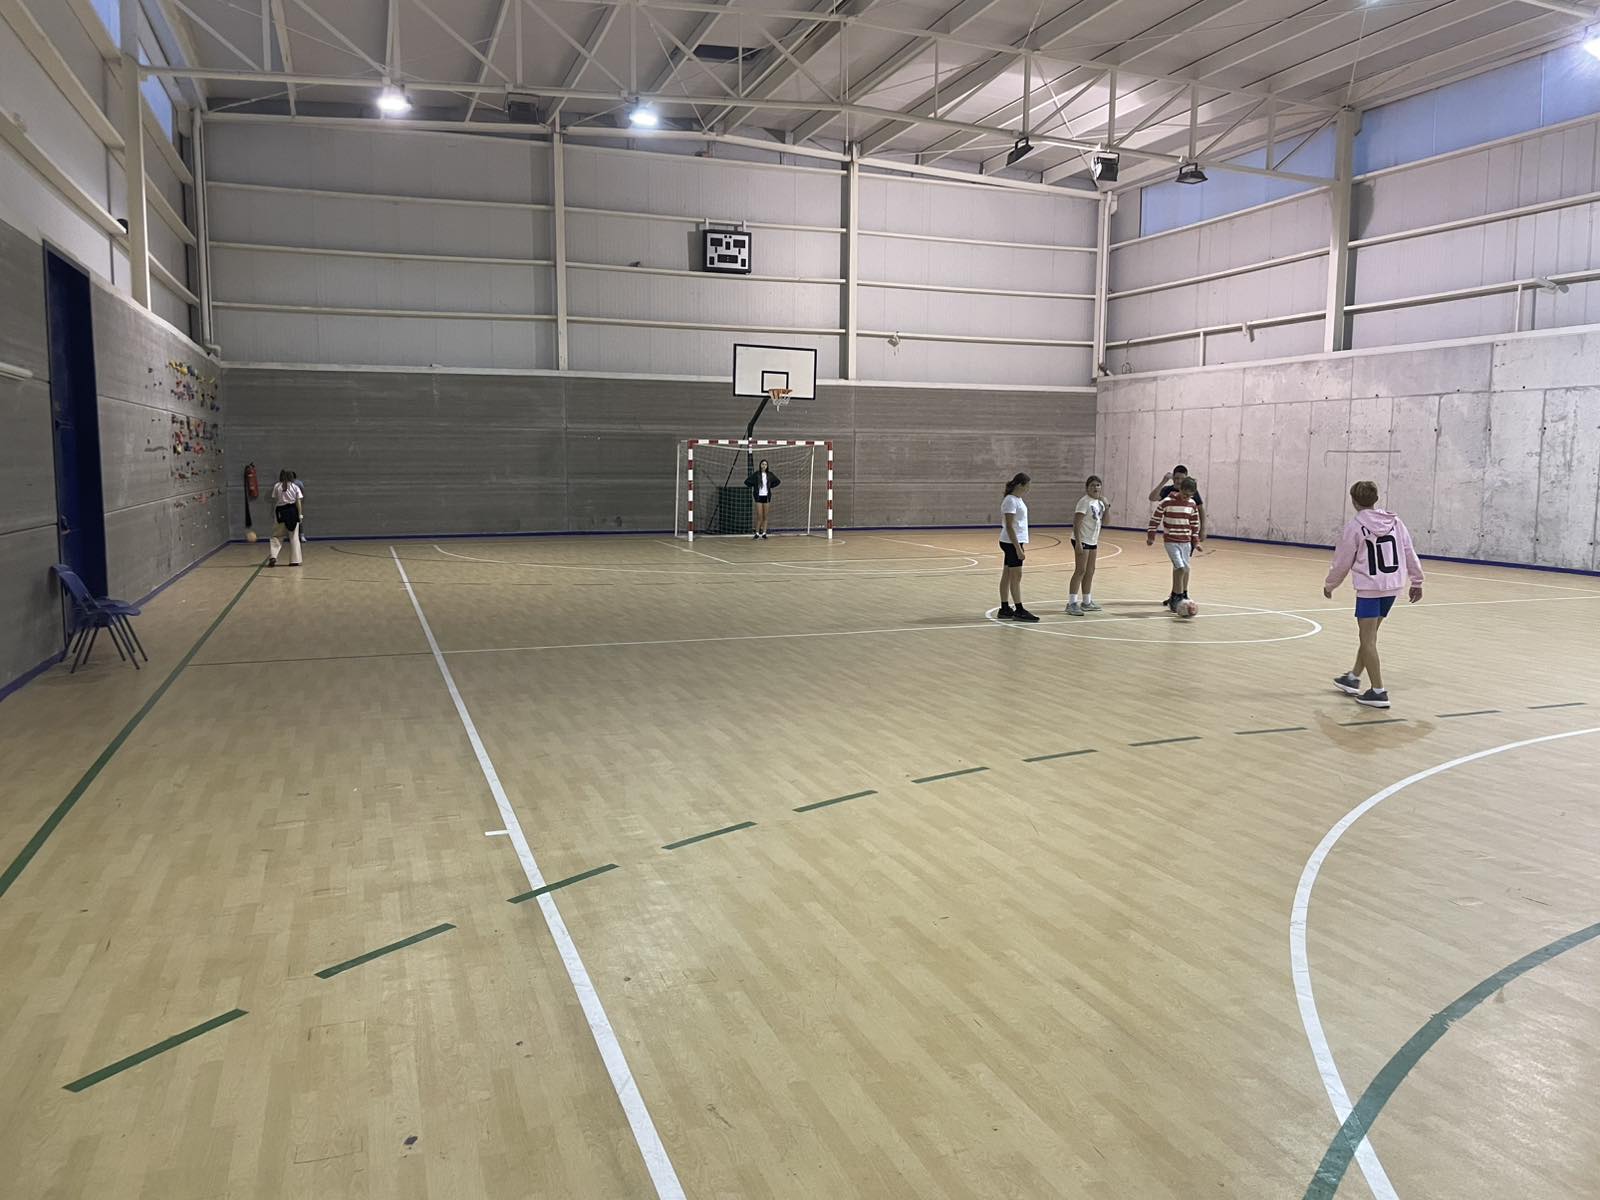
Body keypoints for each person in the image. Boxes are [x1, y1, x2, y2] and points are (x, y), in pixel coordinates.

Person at [1323, 481, 1424, 709]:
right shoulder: (1395, 522)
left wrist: (1330, 585)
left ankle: (1378, 691)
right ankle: (1353, 677)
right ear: (1375, 499)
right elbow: (1409, 551)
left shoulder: (1355, 527)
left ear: (1353, 500)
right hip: (1392, 587)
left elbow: (1342, 562)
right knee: (1369, 637)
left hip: (1370, 589)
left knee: (1367, 640)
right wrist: (1417, 580)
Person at [1149, 465, 1205, 599]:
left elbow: (1199, 511)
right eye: (1176, 478)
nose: (1178, 481)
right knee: (1179, 567)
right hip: (1172, 538)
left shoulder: (1191, 493)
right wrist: (1163, 481)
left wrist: (1202, 530)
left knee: (1184, 567)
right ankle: (1176, 595)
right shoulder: (1168, 493)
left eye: (1181, 478)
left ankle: (1182, 594)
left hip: (1186, 537)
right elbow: (1152, 498)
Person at [997, 472, 1040, 622]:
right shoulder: (1010, 500)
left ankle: (1004, 608)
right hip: (1011, 542)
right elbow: (1009, 526)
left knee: (1008, 575)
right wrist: (1018, 548)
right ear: (1021, 485)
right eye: (1028, 485)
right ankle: (1019, 609)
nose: (1029, 488)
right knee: (1016, 576)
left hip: (1012, 541)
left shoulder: (1017, 499)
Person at [1067, 475, 1110, 616]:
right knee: (1080, 570)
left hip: (1092, 540)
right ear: (1087, 488)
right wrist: (1078, 542)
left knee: (1090, 571)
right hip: (1082, 539)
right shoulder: (1084, 502)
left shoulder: (1099, 503)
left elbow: (1106, 522)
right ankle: (1071, 603)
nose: (1095, 487)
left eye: (1098, 485)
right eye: (1092, 485)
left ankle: (1086, 601)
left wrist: (1107, 507)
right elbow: (1077, 523)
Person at [268, 469, 304, 568]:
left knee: (276, 536)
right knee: (294, 537)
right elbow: (298, 502)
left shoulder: (277, 486)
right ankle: (295, 560)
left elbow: (275, 500)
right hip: (292, 512)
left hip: (280, 512)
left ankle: (273, 556)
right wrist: (300, 515)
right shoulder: (295, 487)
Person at [744, 458, 779, 539]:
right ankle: (757, 533)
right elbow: (747, 482)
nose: (764, 466)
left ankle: (764, 533)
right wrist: (754, 486)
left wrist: (770, 486)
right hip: (758, 497)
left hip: (766, 497)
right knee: (759, 516)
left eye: (765, 464)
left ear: (767, 466)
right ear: (760, 465)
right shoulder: (756, 474)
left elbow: (777, 481)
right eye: (762, 464)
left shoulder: (770, 474)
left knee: (765, 516)